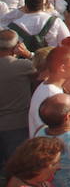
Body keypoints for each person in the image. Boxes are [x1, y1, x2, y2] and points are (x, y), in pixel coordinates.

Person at [0, 30, 35, 167]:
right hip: (17, 126)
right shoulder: (23, 66)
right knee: (18, 168)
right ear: (16, 47)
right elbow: (47, 66)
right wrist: (28, 54)